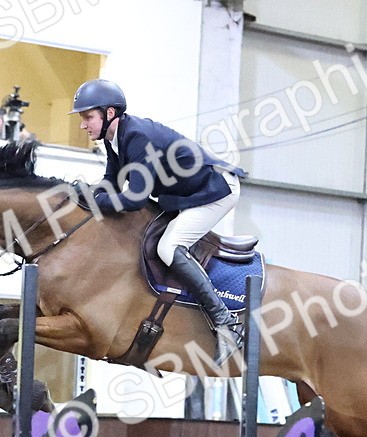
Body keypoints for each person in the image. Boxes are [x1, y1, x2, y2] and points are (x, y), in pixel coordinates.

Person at [69, 78, 248, 367]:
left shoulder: (137, 137)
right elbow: (112, 182)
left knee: (168, 247)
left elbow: (135, 199)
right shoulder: (114, 138)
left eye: (88, 117)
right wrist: (82, 194)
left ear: (109, 113)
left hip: (215, 190)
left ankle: (227, 324)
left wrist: (93, 201)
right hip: (184, 193)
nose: (83, 125)